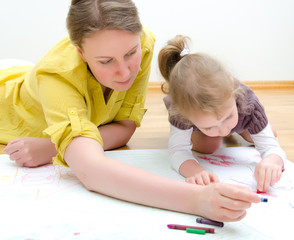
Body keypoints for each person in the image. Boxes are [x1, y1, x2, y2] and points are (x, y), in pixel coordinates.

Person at [0, 0, 260, 222]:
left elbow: (125, 129)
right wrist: (195, 200)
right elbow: (91, 171)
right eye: (106, 61)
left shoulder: (144, 42)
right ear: (80, 53)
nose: (125, 73)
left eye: (130, 53)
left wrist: (53, 146)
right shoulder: (56, 77)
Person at [158, 35, 287, 193]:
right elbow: (178, 151)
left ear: (231, 87)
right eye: (210, 126)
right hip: (207, 127)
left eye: (228, 117)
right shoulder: (180, 112)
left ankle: (234, 125)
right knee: (209, 145)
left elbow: (272, 148)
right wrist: (195, 171)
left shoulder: (249, 105)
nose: (224, 130)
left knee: (269, 134)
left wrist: (273, 161)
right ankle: (215, 126)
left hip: (243, 116)